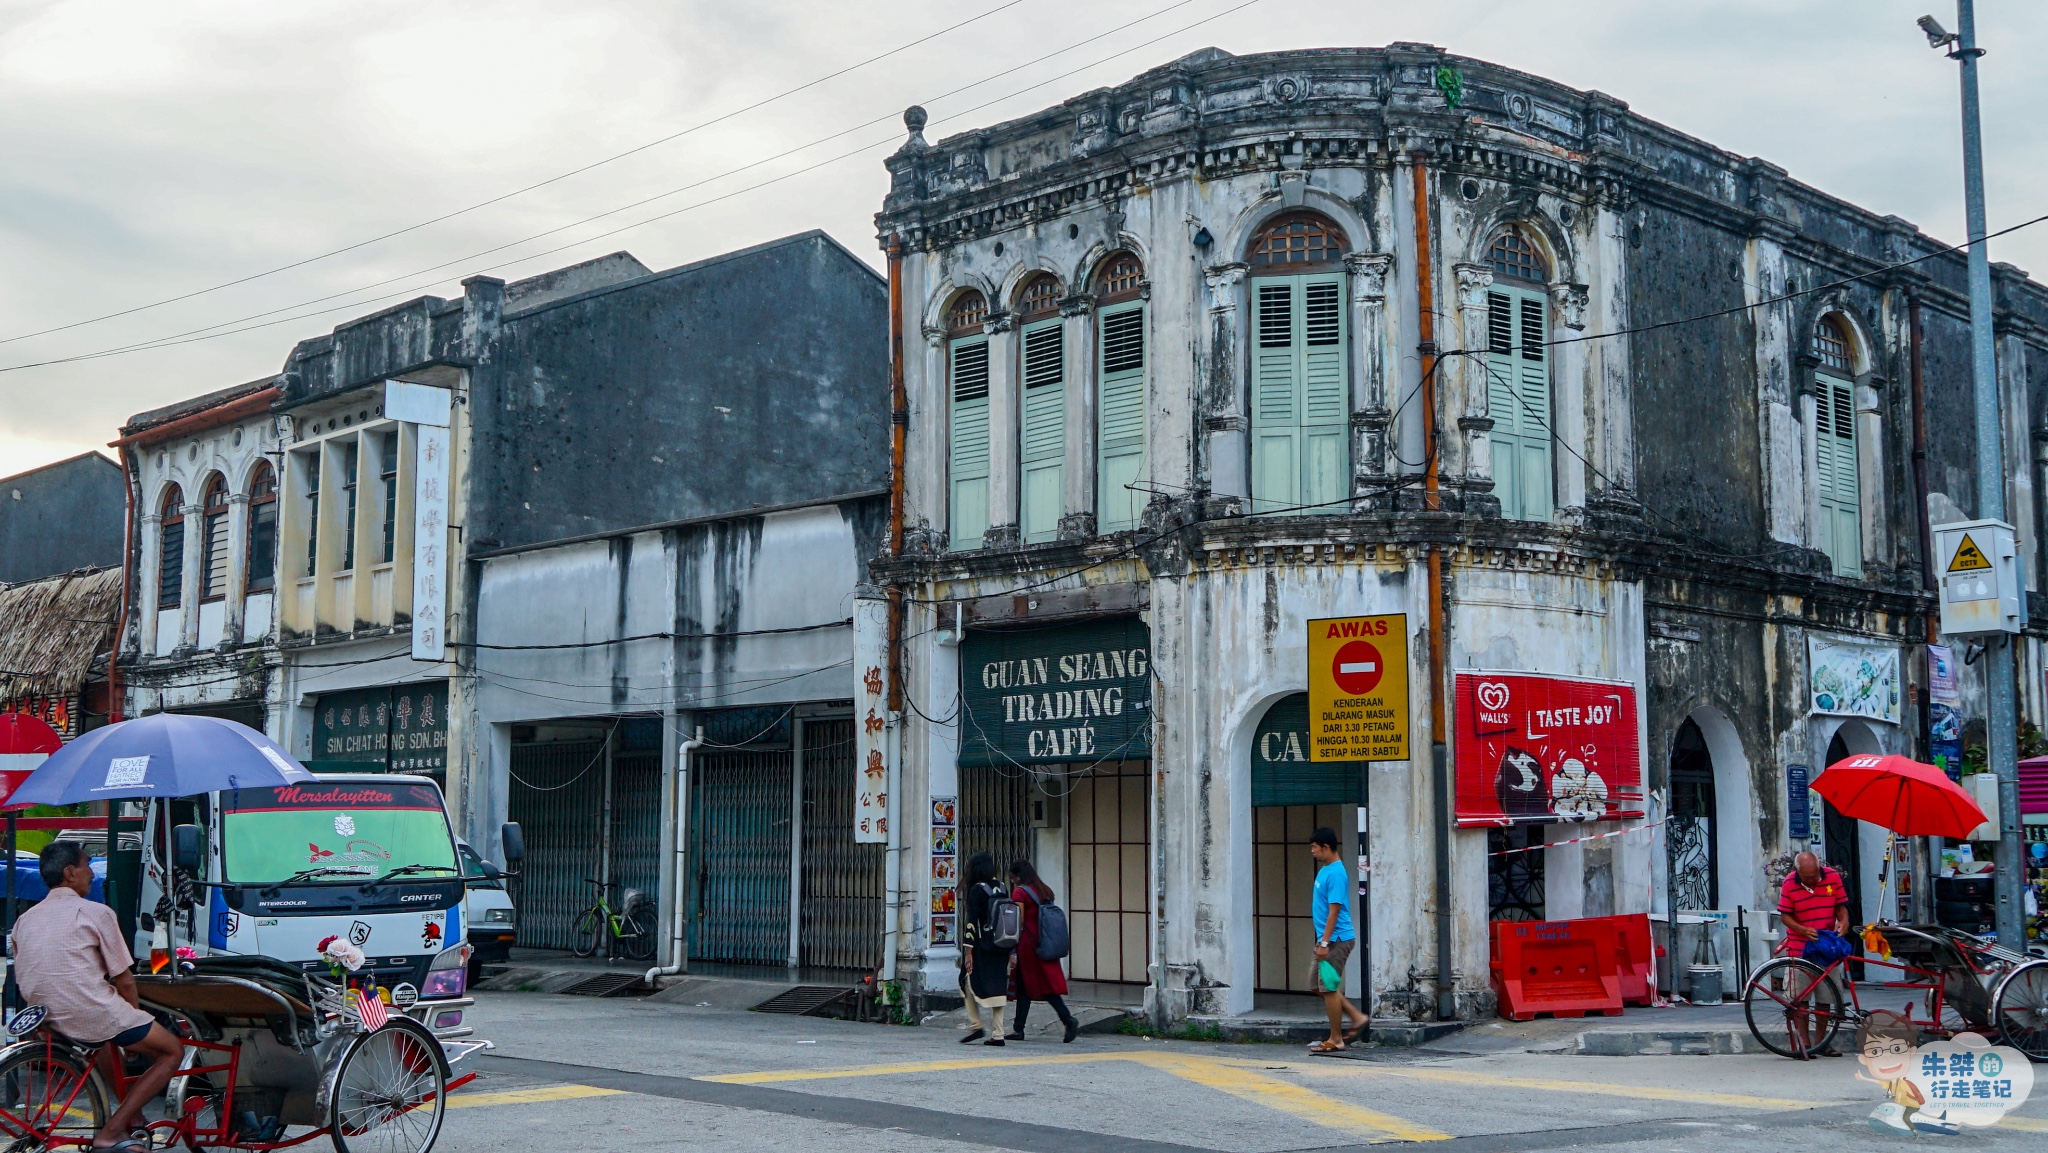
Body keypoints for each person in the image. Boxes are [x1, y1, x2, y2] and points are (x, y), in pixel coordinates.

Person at [10, 841, 183, 1153]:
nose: (92, 873)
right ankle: (113, 1131)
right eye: (88, 865)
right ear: (70, 873)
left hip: (44, 1015)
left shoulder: (26, 919)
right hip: (87, 1010)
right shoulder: (95, 912)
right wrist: (136, 1019)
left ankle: (132, 1118)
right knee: (171, 1051)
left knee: (105, 1043)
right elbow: (125, 980)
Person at [1776, 850, 1851, 1058]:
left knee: (1826, 998)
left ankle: (1822, 1042)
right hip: (1799, 946)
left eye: (1814, 875)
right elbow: (1785, 916)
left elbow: (1841, 907)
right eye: (1806, 877)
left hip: (1826, 944)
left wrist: (1844, 922)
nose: (1811, 879)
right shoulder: (1790, 883)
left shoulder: (1832, 878)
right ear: (1797, 871)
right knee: (1800, 998)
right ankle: (1805, 1043)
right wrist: (1801, 929)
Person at [1003, 859, 1078, 1044]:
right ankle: (1018, 1028)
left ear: (1018, 877)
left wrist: (1011, 947)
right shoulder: (1044, 890)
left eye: (1012, 878)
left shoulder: (1020, 892)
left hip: (1028, 944)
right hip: (1044, 941)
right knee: (1034, 985)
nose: (1013, 882)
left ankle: (1067, 1019)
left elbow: (1017, 921)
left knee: (1032, 985)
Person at [1306, 827, 1366, 1053]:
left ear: (1326, 847)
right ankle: (1356, 1016)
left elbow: (1334, 911)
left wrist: (1324, 943)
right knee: (1316, 985)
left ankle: (1336, 1039)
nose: (1312, 851)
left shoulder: (1337, 874)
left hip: (1336, 940)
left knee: (1329, 988)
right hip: (1327, 940)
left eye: (1315, 847)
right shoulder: (1325, 870)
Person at [957, 851, 1012, 1046]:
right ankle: (998, 1034)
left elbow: (972, 922)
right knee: (998, 987)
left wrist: (968, 951)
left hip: (982, 946)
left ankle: (976, 1024)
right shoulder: (1002, 887)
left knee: (965, 979)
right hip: (1002, 944)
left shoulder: (977, 890)